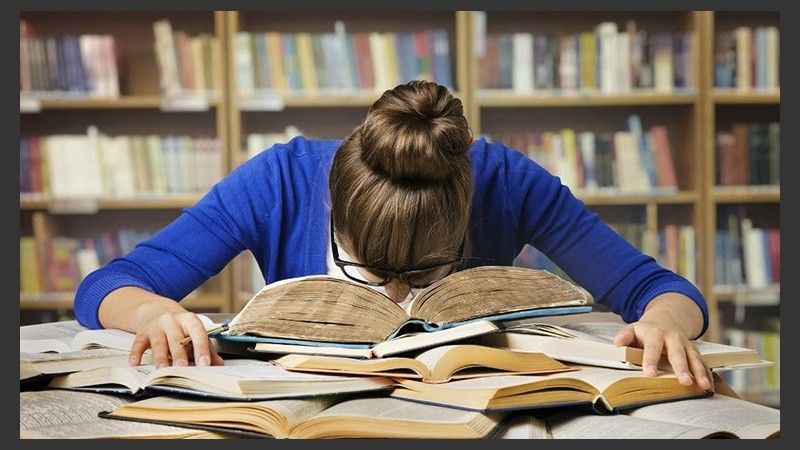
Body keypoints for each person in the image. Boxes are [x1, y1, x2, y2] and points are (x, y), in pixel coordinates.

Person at [73, 80, 712, 391]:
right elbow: (107, 286)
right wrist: (153, 310)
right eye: (366, 273)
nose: (398, 300)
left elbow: (657, 287)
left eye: (426, 275)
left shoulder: (505, 181)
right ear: (334, 211)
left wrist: (666, 323)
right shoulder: (280, 181)